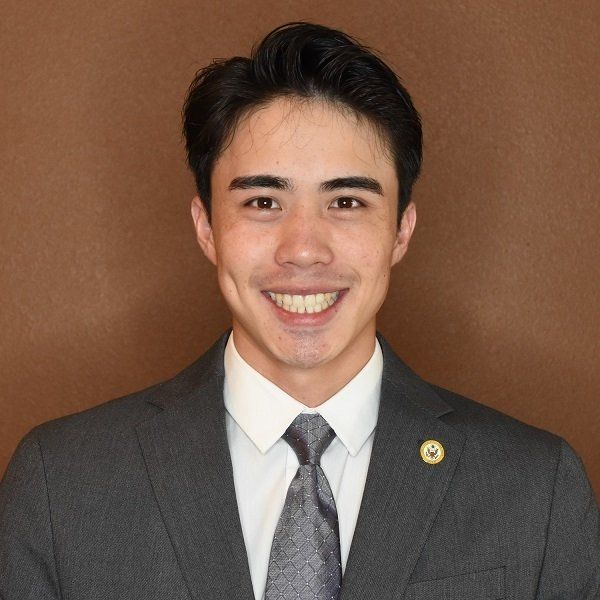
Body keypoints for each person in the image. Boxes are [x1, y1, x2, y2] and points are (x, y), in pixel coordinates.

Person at [0, 22, 598, 600]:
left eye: (346, 200)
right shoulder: (64, 484)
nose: (304, 250)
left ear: (401, 231)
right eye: (263, 201)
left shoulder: (535, 488)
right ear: (207, 228)